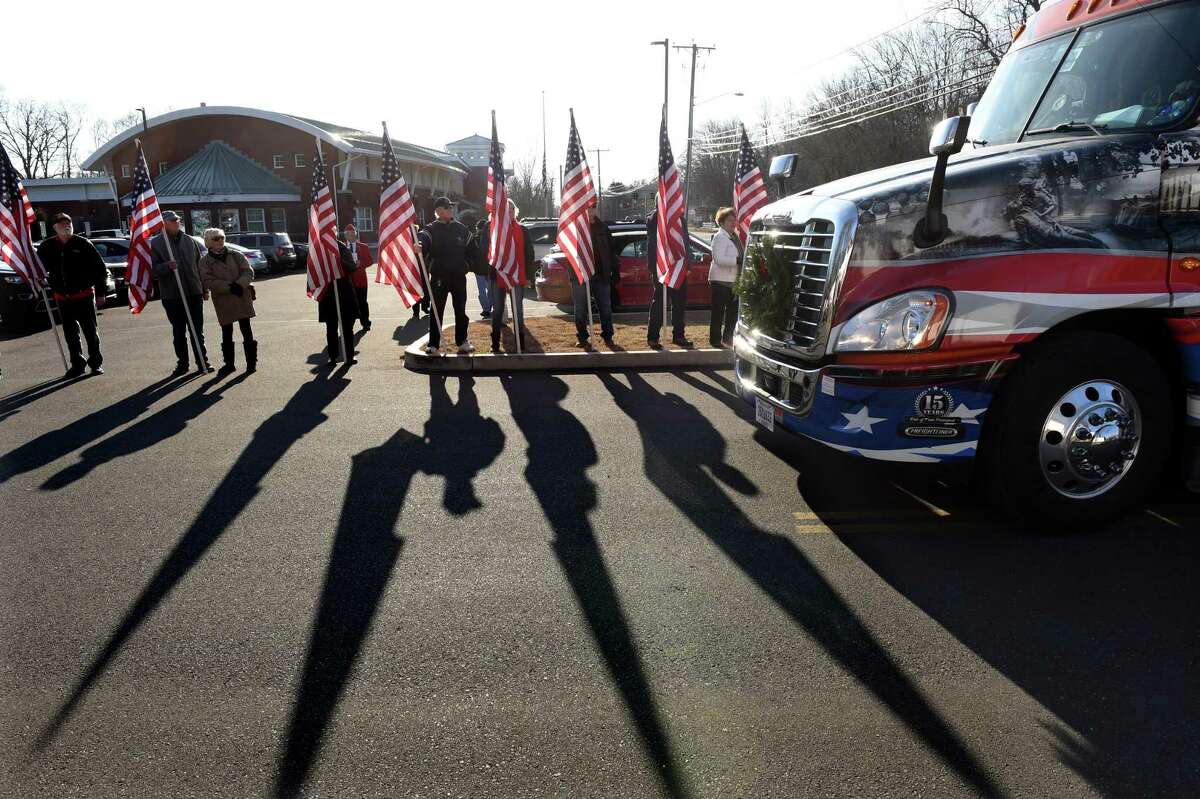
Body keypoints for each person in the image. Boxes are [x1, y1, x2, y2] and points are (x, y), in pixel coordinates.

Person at [36, 213, 107, 377]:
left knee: (90, 332)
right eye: (62, 224)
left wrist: (101, 292)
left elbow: (100, 269)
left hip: (84, 296)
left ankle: (95, 364)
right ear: (55, 227)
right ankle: (77, 364)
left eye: (68, 222)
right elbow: (39, 267)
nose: (66, 226)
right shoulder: (47, 247)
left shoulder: (83, 244)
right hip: (62, 298)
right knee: (70, 334)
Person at [150, 210, 213, 375]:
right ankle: (182, 364)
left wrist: (204, 289)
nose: (176, 222)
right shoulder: (156, 243)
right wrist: (166, 267)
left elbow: (199, 266)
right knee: (179, 331)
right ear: (163, 223)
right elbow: (152, 270)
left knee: (197, 331)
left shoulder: (189, 240)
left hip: (194, 293)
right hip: (172, 295)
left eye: (177, 220)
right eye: (172, 221)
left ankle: (203, 362)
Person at [416, 196, 480, 354]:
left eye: (451, 207)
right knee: (436, 311)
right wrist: (419, 246)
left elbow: (474, 251)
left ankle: (463, 341)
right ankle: (433, 344)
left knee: (460, 310)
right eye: (448, 207)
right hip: (438, 278)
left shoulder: (462, 229)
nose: (451, 210)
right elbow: (423, 240)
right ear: (438, 211)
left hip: (458, 277)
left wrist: (465, 266)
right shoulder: (431, 229)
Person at [197, 227, 257, 375]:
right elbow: (207, 280)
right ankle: (229, 364)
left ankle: (251, 363)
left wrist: (239, 284)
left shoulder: (236, 255)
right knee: (226, 331)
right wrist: (229, 287)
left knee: (246, 329)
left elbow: (248, 271)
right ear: (209, 242)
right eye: (216, 238)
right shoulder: (205, 261)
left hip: (241, 296)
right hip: (223, 299)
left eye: (222, 237)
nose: (221, 241)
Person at [479, 199, 535, 354]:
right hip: (497, 276)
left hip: (517, 275)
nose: (508, 212)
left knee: (518, 310)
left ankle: (520, 344)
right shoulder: (490, 228)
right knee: (497, 310)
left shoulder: (523, 229)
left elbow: (529, 254)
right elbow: (484, 250)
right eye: (505, 210)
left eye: (511, 209)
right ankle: (495, 344)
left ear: (514, 211)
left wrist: (530, 276)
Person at [568, 205, 617, 348]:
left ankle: (608, 335)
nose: (591, 212)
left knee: (605, 308)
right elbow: (569, 252)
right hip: (580, 275)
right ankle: (582, 337)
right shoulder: (575, 229)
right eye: (588, 209)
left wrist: (615, 271)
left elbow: (612, 252)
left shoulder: (603, 229)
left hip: (601, 275)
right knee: (580, 310)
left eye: (593, 208)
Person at [645, 209, 693, 348]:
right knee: (659, 304)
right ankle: (653, 337)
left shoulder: (681, 219)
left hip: (679, 267)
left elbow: (686, 241)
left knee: (680, 304)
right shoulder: (654, 219)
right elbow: (651, 244)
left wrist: (688, 265)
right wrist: (653, 268)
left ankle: (679, 336)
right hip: (662, 269)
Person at [318, 240, 360, 365]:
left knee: (347, 328)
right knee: (331, 328)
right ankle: (332, 356)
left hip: (345, 294)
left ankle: (349, 356)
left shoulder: (341, 247)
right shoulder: (320, 249)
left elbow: (352, 267)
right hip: (328, 295)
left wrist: (338, 261)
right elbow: (314, 271)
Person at [709, 207, 742, 348]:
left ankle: (727, 338)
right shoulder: (719, 237)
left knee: (732, 313)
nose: (733, 223)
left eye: (734, 220)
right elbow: (718, 259)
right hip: (720, 281)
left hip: (733, 281)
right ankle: (715, 340)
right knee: (718, 312)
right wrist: (737, 260)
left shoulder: (734, 236)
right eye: (729, 220)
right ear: (721, 222)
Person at [343, 223, 373, 331]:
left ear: (355, 234)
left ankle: (365, 323)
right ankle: (349, 325)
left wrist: (362, 263)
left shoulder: (363, 247)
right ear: (345, 236)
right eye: (348, 234)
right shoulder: (342, 247)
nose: (351, 236)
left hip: (361, 281)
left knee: (362, 302)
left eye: (352, 234)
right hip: (348, 282)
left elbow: (370, 261)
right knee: (349, 304)